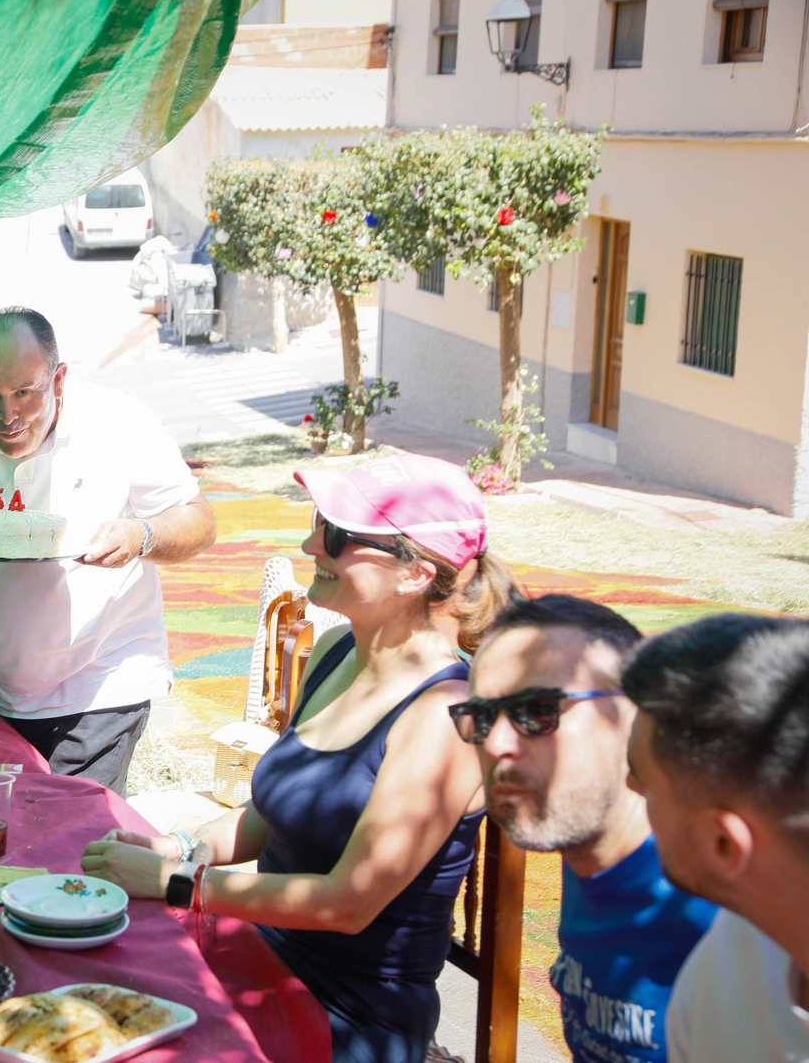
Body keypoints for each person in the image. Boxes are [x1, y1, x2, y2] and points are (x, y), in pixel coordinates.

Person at [79, 452, 519, 1063]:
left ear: (416, 573)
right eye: (319, 523)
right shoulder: (338, 651)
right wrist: (176, 849)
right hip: (262, 961)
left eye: (337, 535)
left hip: (347, 1015)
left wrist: (180, 885)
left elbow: (347, 903)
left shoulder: (443, 718)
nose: (312, 543)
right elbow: (271, 814)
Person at [0, 307, 216, 793]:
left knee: (69, 841)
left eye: (24, 393)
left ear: (58, 380)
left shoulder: (119, 420)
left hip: (102, 681)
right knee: (0, 838)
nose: (5, 416)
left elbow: (199, 522)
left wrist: (141, 536)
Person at [460, 594, 716, 1063]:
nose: (496, 743)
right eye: (480, 718)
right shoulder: (584, 845)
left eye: (536, 711)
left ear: (637, 715)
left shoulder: (730, 906)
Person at [621, 615, 809, 1062]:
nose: (629, 785)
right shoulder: (735, 949)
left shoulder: (735, 959)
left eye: (643, 779)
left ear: (723, 844)